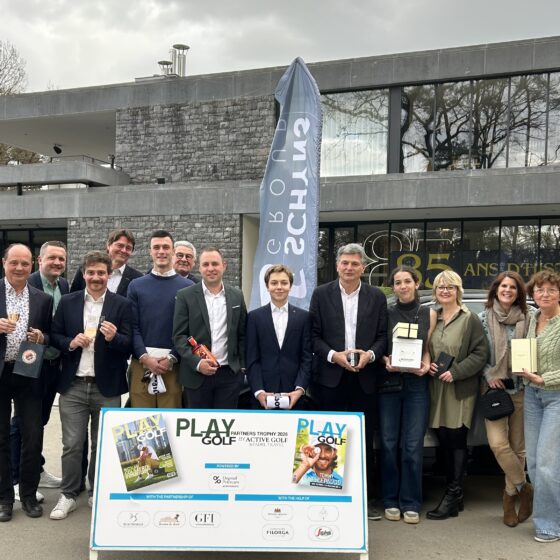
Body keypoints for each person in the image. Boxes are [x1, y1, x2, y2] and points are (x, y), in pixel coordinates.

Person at [49, 250, 132, 520]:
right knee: (72, 444)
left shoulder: (121, 304)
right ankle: (69, 494)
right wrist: (70, 342)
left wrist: (114, 337)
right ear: (84, 274)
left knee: (102, 444)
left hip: (106, 386)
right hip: (73, 384)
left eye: (101, 273)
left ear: (109, 275)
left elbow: (129, 344)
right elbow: (55, 335)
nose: (96, 277)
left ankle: (96, 491)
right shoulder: (69, 302)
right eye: (91, 272)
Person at [309, 243, 387, 520]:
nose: (349, 268)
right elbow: (313, 336)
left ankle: (364, 499)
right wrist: (334, 356)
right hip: (330, 379)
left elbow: (383, 336)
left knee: (364, 442)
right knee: (327, 441)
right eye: (345, 263)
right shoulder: (321, 294)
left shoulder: (376, 296)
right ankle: (326, 497)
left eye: (355, 263)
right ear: (337, 266)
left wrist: (370, 355)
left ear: (363, 267)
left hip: (365, 378)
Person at [427, 270, 488, 520]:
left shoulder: (469, 319)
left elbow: (480, 354)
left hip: (458, 388)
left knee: (456, 440)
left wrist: (456, 372)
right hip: (436, 388)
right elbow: (424, 347)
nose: (445, 291)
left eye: (450, 287)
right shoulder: (433, 317)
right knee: (443, 438)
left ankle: (452, 495)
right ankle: (457, 494)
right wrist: (427, 363)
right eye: (441, 287)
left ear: (458, 291)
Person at [10, 241, 68, 499]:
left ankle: (36, 469)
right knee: (21, 422)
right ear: (40, 260)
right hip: (30, 363)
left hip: (54, 364)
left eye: (61, 259)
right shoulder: (27, 282)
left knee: (39, 422)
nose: (57, 262)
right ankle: (15, 477)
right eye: (52, 258)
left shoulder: (63, 285)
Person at [0, 244, 53, 522]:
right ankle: (4, 498)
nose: (19, 268)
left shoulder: (43, 299)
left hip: (28, 372)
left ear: (31, 265)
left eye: (24, 263)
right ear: (4, 263)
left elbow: (52, 335)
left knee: (32, 436)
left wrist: (42, 338)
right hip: (0, 373)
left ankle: (29, 496)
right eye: (14, 263)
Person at [379, 265, 435, 524]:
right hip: (389, 382)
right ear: (393, 287)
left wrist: (426, 363)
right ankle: (390, 499)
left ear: (416, 283)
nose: (402, 286)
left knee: (413, 445)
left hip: (417, 385)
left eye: (407, 281)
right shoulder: (386, 313)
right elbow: (380, 345)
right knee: (389, 443)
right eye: (398, 282)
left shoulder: (428, 313)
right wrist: (385, 360)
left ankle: (411, 501)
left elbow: (428, 347)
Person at [479, 271, 533, 528]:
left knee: (519, 448)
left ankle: (509, 500)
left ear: (518, 292)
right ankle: (525, 488)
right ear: (496, 289)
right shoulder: (482, 318)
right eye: (503, 286)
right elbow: (476, 353)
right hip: (494, 391)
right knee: (499, 445)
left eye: (513, 287)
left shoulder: (530, 317)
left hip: (522, 389)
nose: (508, 290)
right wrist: (488, 374)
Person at [173, 247, 247, 409]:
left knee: (225, 423)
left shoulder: (237, 295)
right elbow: (179, 337)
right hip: (196, 374)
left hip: (229, 376)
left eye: (215, 264)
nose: (210, 268)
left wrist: (241, 367)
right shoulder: (185, 295)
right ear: (199, 268)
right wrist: (197, 363)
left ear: (224, 266)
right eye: (206, 264)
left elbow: (242, 334)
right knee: (198, 423)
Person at [517, 271, 560, 543]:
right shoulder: (533, 318)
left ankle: (549, 525)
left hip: (556, 396)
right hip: (532, 395)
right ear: (533, 294)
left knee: (547, 463)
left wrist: (545, 378)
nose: (544, 294)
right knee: (533, 462)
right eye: (539, 290)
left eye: (551, 290)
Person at [127, 230, 193, 408]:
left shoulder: (189, 287)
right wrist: (144, 357)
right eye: (156, 247)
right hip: (141, 363)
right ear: (150, 251)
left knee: (171, 420)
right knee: (142, 422)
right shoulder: (136, 286)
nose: (161, 251)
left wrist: (172, 357)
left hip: (173, 365)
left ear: (173, 251)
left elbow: (190, 329)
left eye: (166, 247)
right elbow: (132, 326)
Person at [246, 264, 312, 410]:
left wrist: (299, 389)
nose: (279, 287)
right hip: (263, 393)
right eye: (274, 283)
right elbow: (252, 358)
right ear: (267, 286)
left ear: (290, 286)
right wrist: (258, 391)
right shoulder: (254, 317)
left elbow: (306, 357)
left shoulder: (304, 317)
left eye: (284, 283)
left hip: (294, 393)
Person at [70, 229, 143, 296]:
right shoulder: (87, 269)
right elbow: (73, 298)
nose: (124, 250)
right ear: (108, 245)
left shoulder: (137, 278)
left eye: (128, 248)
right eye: (120, 245)